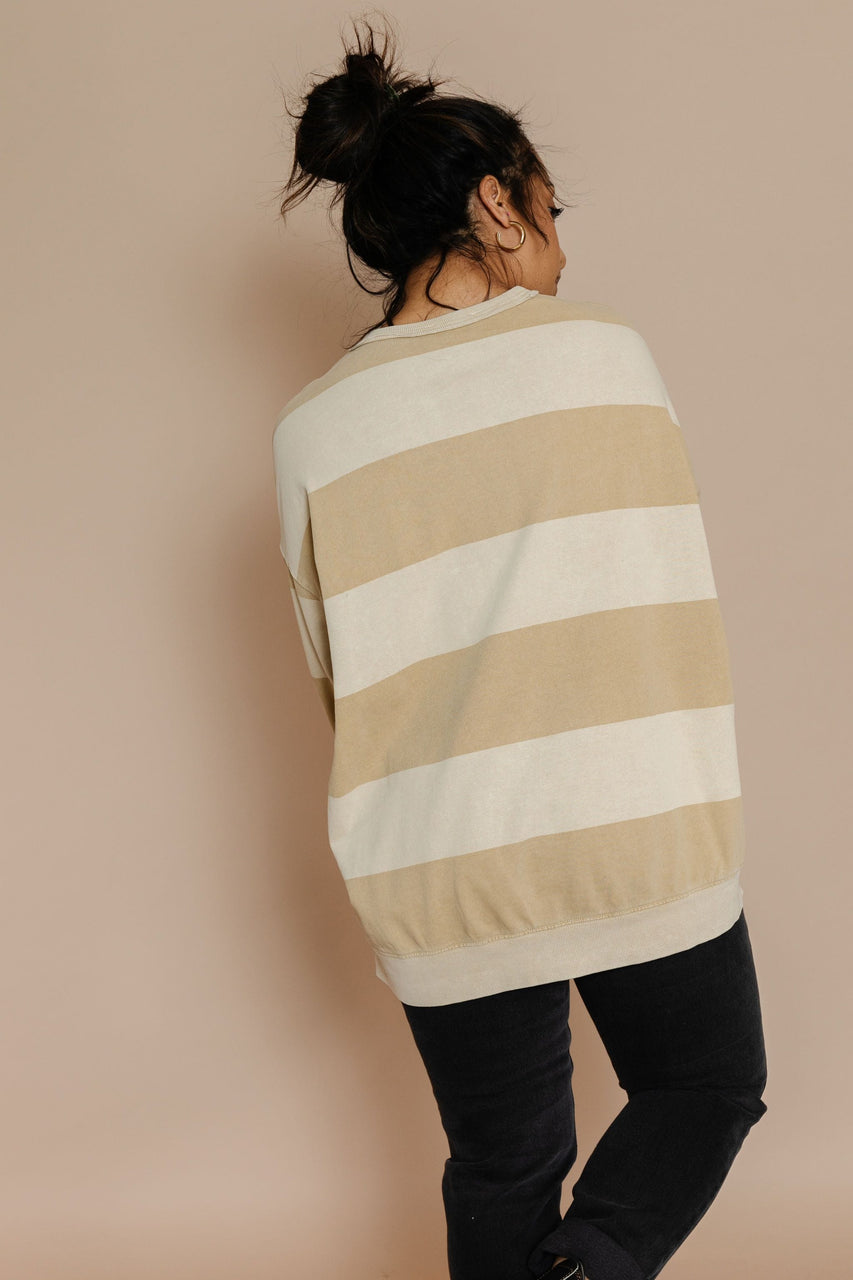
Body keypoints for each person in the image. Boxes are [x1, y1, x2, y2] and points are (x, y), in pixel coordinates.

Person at [271, 13, 768, 1280]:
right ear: (496, 203)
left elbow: (337, 674)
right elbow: (659, 581)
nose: (560, 239)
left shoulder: (313, 430)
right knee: (702, 1083)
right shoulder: (603, 353)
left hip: (436, 855)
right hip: (632, 817)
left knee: (503, 1161)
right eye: (551, 206)